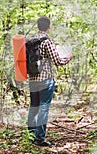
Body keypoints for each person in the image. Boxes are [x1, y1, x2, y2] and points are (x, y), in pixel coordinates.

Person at [27, 16, 73, 146]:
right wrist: (68, 58)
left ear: (37, 26)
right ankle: (39, 138)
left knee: (33, 107)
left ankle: (30, 135)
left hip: (32, 79)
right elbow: (58, 61)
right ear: (49, 26)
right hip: (45, 80)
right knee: (43, 108)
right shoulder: (47, 41)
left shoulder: (31, 40)